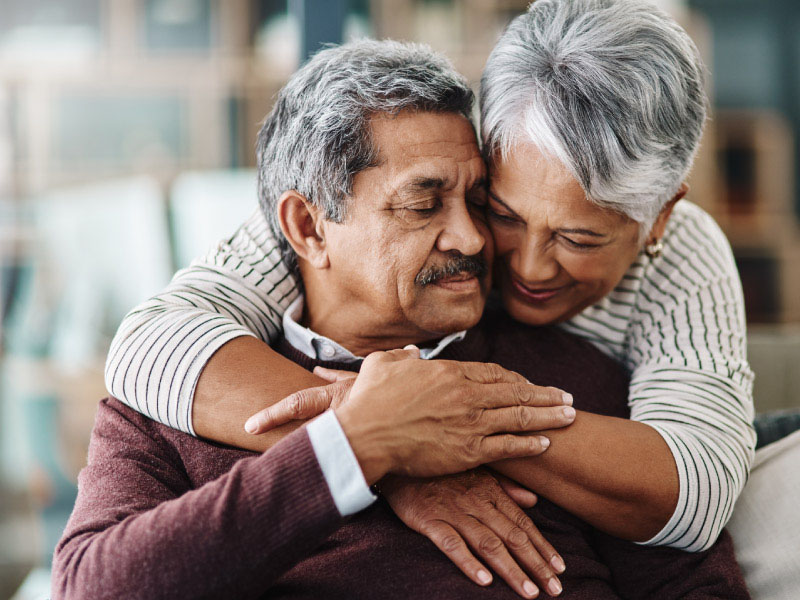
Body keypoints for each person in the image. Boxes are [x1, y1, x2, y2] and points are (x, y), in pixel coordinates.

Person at [54, 39, 749, 599]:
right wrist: (359, 448)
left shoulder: (575, 381)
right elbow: (92, 587)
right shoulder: (180, 396)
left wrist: (452, 426)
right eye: (424, 204)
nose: (475, 240)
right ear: (308, 227)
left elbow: (698, 579)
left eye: (479, 201)